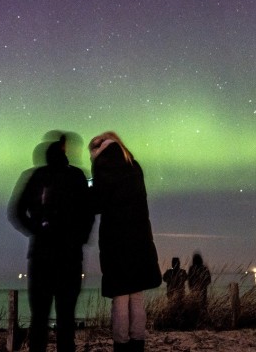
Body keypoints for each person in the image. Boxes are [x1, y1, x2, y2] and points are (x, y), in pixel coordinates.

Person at [9, 133, 94, 352]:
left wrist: (36, 231)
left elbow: (16, 211)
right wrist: (79, 239)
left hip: (41, 257)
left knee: (39, 318)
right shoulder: (77, 176)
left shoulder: (35, 176)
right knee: (66, 318)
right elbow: (88, 213)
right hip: (70, 257)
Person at [89, 131, 162, 352]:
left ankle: (121, 345)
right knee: (136, 296)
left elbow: (97, 203)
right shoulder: (133, 164)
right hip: (139, 239)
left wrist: (88, 190)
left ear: (97, 149)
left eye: (90, 154)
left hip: (116, 240)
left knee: (120, 297)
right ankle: (137, 342)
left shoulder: (103, 165)